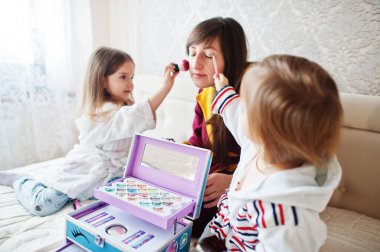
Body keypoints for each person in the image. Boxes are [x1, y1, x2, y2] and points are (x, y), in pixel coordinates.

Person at [0, 47, 180, 216]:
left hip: (112, 172)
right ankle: (20, 180)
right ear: (102, 81)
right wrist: (165, 87)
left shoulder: (123, 109)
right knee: (44, 204)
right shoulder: (101, 112)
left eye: (132, 77)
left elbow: (133, 127)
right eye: (123, 77)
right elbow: (132, 117)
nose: (130, 84)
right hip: (87, 166)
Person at [199, 55, 343, 251]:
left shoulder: (286, 214)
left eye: (246, 104)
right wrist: (223, 88)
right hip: (219, 231)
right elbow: (235, 112)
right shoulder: (259, 145)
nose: (242, 107)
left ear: (262, 128)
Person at [183, 17, 250, 238]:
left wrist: (234, 182)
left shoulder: (249, 96)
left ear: (230, 58)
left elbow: (266, 155)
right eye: (192, 53)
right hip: (208, 179)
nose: (196, 62)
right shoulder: (205, 94)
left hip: (238, 185)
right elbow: (198, 142)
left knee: (189, 219)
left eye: (208, 55)